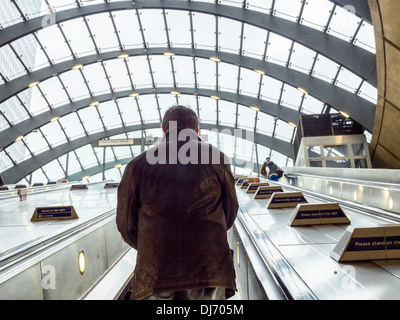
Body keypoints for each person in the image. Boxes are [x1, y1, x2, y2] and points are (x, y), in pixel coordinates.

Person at [116, 105, 239, 300]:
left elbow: (125, 224)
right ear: (197, 131)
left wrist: (153, 247)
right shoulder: (217, 159)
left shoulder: (137, 165)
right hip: (210, 269)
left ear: (164, 130)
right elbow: (230, 212)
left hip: (155, 273)